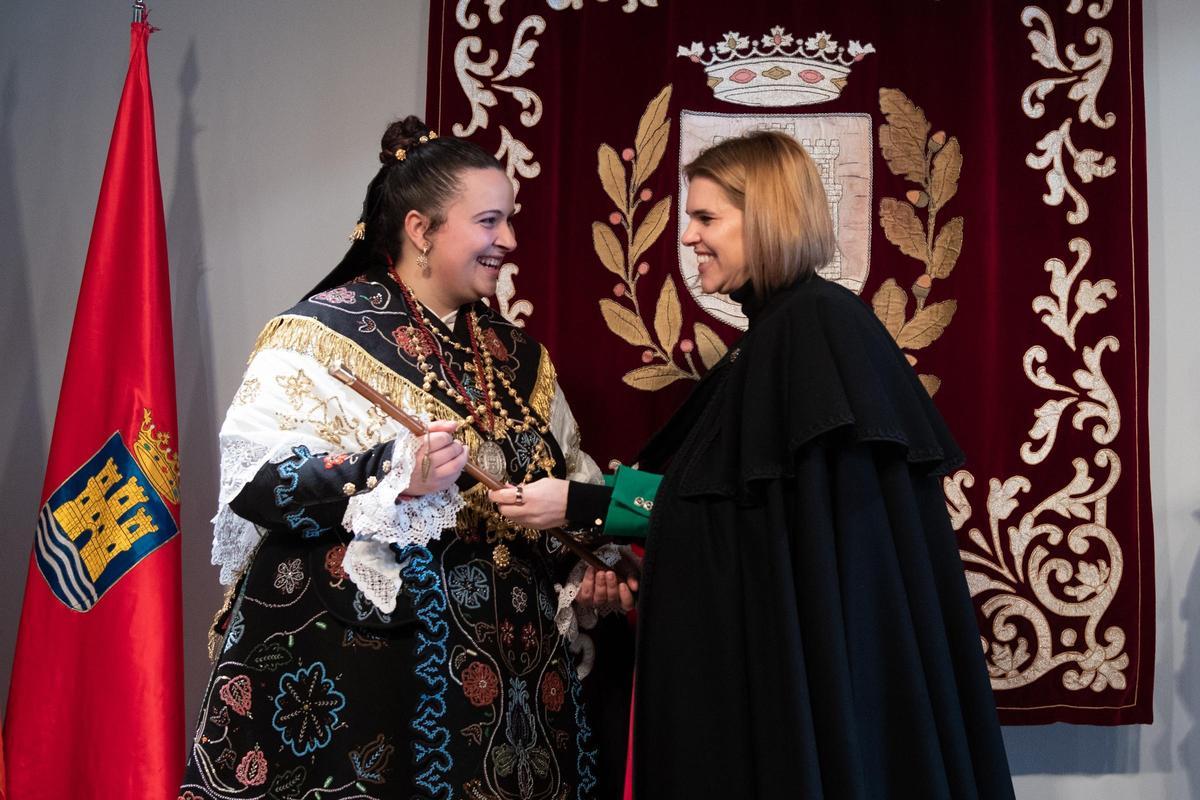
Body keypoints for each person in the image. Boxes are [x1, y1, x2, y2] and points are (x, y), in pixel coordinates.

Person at [495, 131, 1015, 799]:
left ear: (766, 218)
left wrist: (582, 505)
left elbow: (754, 527)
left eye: (706, 218)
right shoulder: (785, 331)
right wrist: (632, 550)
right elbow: (739, 510)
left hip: (815, 692)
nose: (688, 237)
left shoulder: (811, 329)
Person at [180, 116, 620, 800]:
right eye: (489, 221)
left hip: (518, 690)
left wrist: (588, 569)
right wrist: (391, 472)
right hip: (376, 677)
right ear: (421, 230)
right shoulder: (317, 335)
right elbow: (257, 482)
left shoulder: (522, 360)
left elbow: (564, 487)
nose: (509, 240)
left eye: (509, 220)